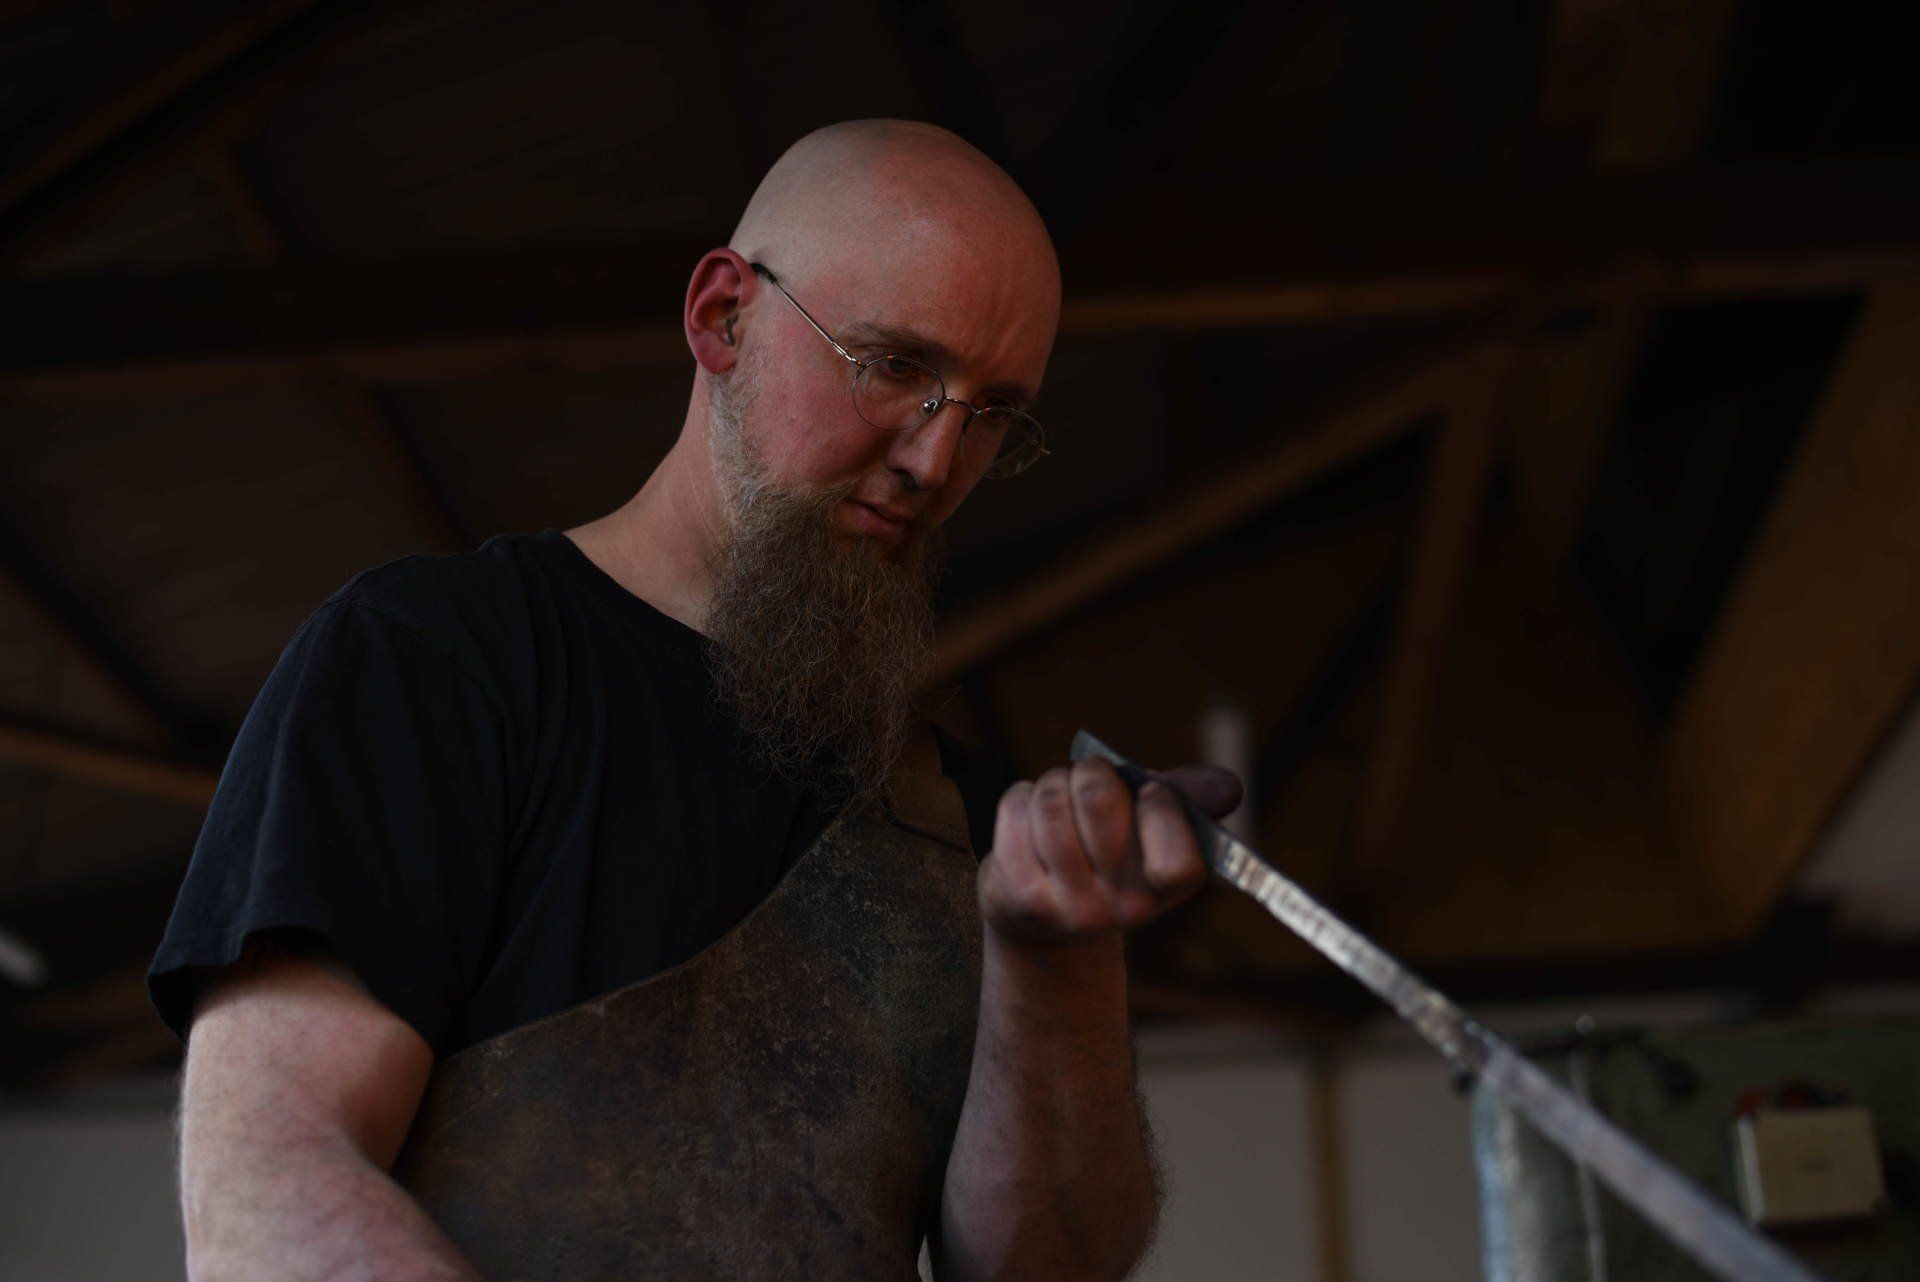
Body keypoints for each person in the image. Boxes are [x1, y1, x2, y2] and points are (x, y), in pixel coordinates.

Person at [153, 119, 1240, 1281]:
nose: (935, 460)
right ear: (725, 317)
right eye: (896, 367)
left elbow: (1047, 1272)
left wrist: (1056, 963)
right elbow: (267, 1183)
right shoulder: (437, 663)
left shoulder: (958, 823)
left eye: (989, 413)